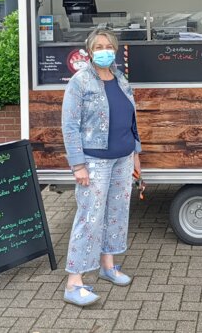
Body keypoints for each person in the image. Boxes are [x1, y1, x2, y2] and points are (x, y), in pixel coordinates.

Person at [61, 28, 143, 307]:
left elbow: (131, 118)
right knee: (89, 217)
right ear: (90, 50)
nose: (104, 50)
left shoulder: (120, 78)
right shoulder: (80, 81)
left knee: (116, 213)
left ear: (115, 49)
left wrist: (136, 152)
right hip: (94, 161)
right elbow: (70, 126)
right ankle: (74, 282)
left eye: (108, 45)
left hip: (123, 158)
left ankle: (108, 265)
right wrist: (78, 165)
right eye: (98, 46)